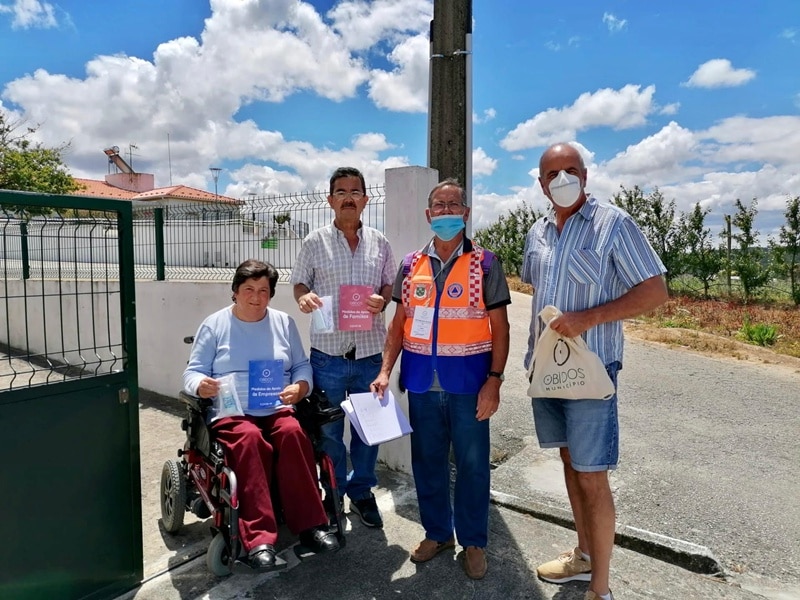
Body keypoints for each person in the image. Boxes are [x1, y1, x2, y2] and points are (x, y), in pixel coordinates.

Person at [523, 143, 668, 600]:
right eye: (552, 174)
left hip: (592, 373)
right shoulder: (537, 232)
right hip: (548, 371)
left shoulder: (613, 224)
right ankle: (583, 556)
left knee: (592, 473)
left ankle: (600, 589)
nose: (562, 179)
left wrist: (588, 318)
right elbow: (537, 291)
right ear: (541, 184)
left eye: (571, 170)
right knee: (569, 462)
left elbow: (655, 291)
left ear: (585, 175)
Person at [371, 178, 511, 580]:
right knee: (427, 464)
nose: (446, 211)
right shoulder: (410, 264)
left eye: (453, 205)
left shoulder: (486, 263)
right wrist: (385, 370)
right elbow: (398, 325)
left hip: (469, 386)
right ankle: (437, 533)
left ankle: (474, 542)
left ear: (465, 213)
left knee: (472, 466)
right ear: (428, 214)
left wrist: (495, 380)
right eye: (439, 205)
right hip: (421, 385)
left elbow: (500, 329)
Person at [183, 259, 339, 572]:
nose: (256, 297)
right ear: (235, 291)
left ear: (271, 294)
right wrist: (201, 385)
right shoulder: (214, 325)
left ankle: (312, 525)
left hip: (275, 405)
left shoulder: (283, 323)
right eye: (249, 289)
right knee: (250, 439)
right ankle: (258, 540)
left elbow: (301, 365)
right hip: (232, 410)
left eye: (264, 290)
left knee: (293, 434)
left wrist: (301, 386)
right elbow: (193, 372)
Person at [290, 167, 396, 528]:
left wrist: (383, 299)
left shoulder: (380, 242)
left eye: (355, 192)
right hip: (328, 357)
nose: (348, 198)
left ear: (365, 199)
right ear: (330, 199)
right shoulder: (313, 242)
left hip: (369, 356)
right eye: (341, 192)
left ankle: (362, 492)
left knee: (368, 432)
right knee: (329, 433)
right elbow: (299, 283)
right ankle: (332, 494)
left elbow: (389, 284)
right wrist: (304, 298)